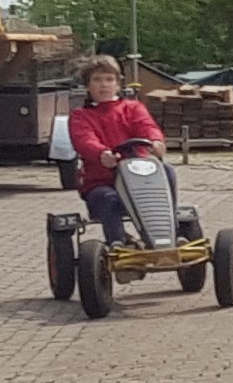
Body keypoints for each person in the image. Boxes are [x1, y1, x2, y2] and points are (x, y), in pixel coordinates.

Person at [68, 55, 173, 243]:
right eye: (97, 80)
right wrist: (101, 153)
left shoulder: (132, 108)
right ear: (87, 86)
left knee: (167, 171)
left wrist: (155, 141)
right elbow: (84, 140)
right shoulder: (81, 116)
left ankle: (171, 232)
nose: (104, 85)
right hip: (102, 181)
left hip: (139, 177)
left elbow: (146, 126)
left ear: (118, 85)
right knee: (109, 200)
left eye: (109, 80)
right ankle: (119, 245)